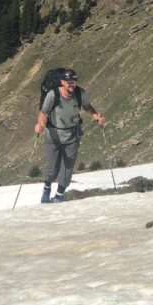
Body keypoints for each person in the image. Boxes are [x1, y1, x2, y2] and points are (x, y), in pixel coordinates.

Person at [34, 68, 105, 203]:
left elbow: (87, 107)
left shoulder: (80, 93)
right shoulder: (52, 95)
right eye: (68, 82)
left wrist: (97, 117)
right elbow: (44, 113)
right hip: (53, 135)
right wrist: (39, 125)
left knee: (67, 168)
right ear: (62, 82)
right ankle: (47, 188)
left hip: (72, 135)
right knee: (53, 168)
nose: (71, 84)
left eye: (73, 82)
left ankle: (59, 196)